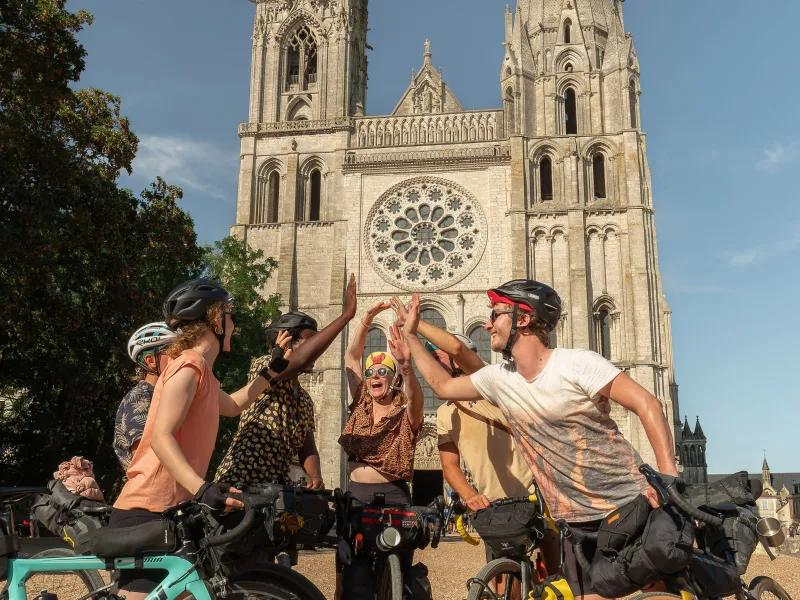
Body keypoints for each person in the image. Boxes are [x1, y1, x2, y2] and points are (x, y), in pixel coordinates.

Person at [403, 281, 679, 600]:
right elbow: (442, 386)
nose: (488, 323)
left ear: (523, 319)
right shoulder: (499, 380)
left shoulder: (576, 363)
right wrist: (411, 335)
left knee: (660, 593)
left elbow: (648, 403)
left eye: (496, 314)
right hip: (576, 520)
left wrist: (667, 476)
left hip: (628, 504)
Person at [109, 277, 318, 600]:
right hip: (146, 509)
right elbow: (162, 438)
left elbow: (233, 406)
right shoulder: (187, 365)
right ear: (216, 319)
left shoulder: (203, 371)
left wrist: (272, 371)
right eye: (231, 316)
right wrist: (203, 489)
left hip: (173, 509)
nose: (234, 324)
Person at [337, 301, 424, 598]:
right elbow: (351, 357)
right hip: (358, 497)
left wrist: (407, 365)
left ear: (393, 378)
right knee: (355, 572)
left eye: (382, 372)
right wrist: (366, 320)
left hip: (395, 497)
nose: (374, 375)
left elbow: (416, 401)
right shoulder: (360, 403)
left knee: (399, 568)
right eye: (370, 372)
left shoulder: (404, 414)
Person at [215, 309, 347, 488]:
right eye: (311, 344)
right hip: (240, 481)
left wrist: (315, 476)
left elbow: (306, 446)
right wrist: (346, 316)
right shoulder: (263, 368)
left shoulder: (304, 400)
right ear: (287, 343)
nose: (316, 353)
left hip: (277, 487)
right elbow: (298, 360)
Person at [114, 322, 177, 471]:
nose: (181, 359)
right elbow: (144, 459)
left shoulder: (163, 395)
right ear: (151, 361)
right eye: (175, 353)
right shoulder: (140, 397)